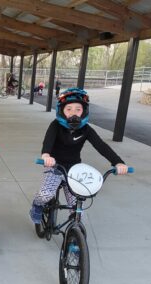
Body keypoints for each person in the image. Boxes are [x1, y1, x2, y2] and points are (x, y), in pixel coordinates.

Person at [29, 88, 129, 225]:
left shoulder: (86, 129)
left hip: (74, 169)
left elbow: (101, 146)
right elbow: (48, 142)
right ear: (62, 111)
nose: (73, 113)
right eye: (69, 109)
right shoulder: (56, 126)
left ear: (84, 112)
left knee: (77, 206)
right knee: (45, 194)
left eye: (78, 109)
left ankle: (74, 231)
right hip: (55, 166)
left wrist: (118, 162)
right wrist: (46, 155)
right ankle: (37, 205)